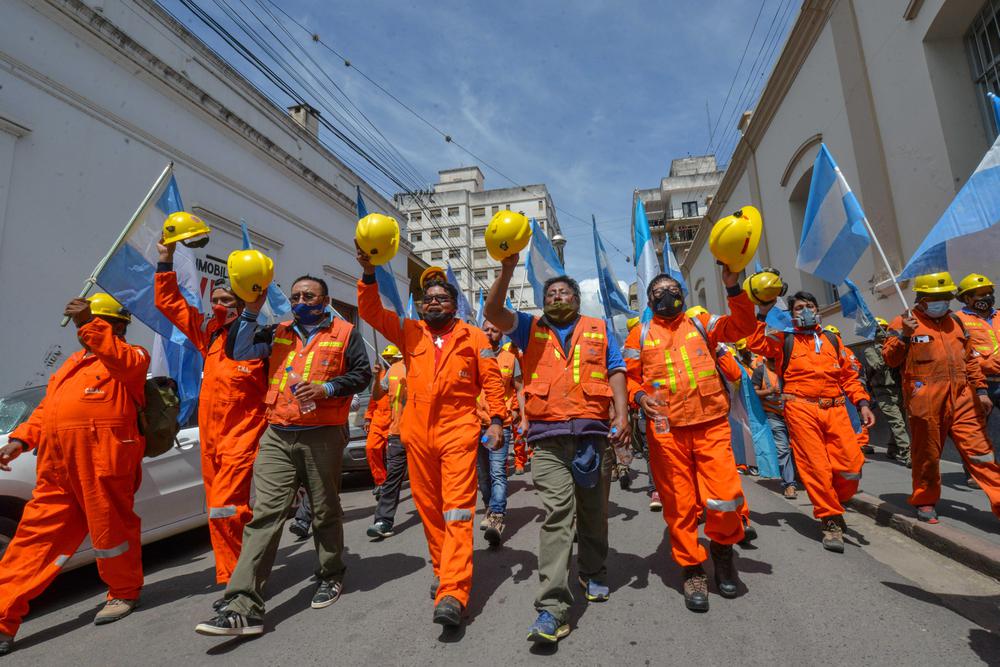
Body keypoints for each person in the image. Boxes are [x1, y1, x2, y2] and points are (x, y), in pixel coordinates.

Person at [195, 275, 371, 637]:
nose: (301, 301)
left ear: (325, 300)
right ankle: (243, 604)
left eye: (309, 295)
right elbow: (239, 350)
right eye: (295, 296)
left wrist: (326, 388)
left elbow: (361, 375)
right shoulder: (277, 332)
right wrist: (251, 310)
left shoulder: (345, 332)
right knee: (265, 515)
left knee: (324, 510)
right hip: (277, 433)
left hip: (322, 434)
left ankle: (331, 573)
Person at [356, 248, 506, 629]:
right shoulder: (409, 332)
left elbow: (492, 382)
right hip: (417, 437)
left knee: (457, 511)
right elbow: (370, 312)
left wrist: (497, 421)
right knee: (430, 510)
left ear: (455, 305)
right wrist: (369, 272)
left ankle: (454, 592)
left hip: (459, 434)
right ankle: (444, 571)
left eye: (442, 297)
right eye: (428, 298)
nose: (434, 302)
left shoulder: (474, 337)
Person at [484, 254, 630, 644]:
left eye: (564, 292)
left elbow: (616, 369)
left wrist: (622, 414)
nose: (557, 297)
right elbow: (493, 312)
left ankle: (593, 571)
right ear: (542, 301)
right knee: (558, 516)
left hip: (592, 437)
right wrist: (507, 269)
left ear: (577, 300)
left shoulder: (598, 328)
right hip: (548, 441)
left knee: (594, 513)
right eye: (550, 293)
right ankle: (552, 608)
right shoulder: (528, 328)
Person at [0, 295, 149, 655]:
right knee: (30, 543)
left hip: (103, 463)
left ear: (117, 326)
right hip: (58, 468)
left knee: (112, 533)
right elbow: (47, 409)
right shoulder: (73, 363)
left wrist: (88, 321)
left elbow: (123, 360)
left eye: (95, 323)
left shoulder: (132, 357)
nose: (84, 331)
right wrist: (20, 440)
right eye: (85, 324)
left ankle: (123, 592)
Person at [624, 269, 756, 613]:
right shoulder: (639, 335)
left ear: (683, 294)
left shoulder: (702, 323)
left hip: (710, 424)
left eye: (672, 289)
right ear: (649, 301)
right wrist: (639, 397)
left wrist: (733, 287)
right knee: (679, 505)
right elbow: (629, 379)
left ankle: (723, 553)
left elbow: (742, 327)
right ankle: (692, 569)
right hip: (666, 431)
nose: (666, 295)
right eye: (658, 292)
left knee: (724, 496)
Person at [155, 240, 267, 587]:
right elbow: (170, 304)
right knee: (220, 511)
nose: (218, 306)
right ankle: (232, 574)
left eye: (227, 301)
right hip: (211, 441)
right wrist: (165, 260)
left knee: (226, 508)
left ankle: (240, 579)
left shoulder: (261, 341)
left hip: (242, 438)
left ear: (243, 303)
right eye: (215, 300)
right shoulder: (210, 335)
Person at [749, 291, 875, 552]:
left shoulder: (832, 339)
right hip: (801, 409)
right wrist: (763, 312)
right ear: (791, 314)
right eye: (799, 308)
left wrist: (862, 403)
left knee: (851, 466)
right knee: (817, 468)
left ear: (817, 310)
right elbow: (756, 343)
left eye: (810, 306)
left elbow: (849, 377)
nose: (805, 310)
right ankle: (830, 519)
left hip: (836, 409)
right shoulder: (784, 339)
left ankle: (834, 501)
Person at [882, 272, 1000, 523]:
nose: (942, 301)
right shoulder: (903, 322)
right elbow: (890, 359)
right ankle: (925, 500)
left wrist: (980, 391)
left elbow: (970, 360)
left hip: (963, 397)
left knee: (982, 453)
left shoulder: (956, 322)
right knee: (927, 454)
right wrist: (904, 335)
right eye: (936, 297)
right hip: (925, 399)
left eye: (945, 296)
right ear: (921, 299)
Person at [476, 320, 521, 547]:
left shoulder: (510, 359)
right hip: (475, 424)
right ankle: (489, 506)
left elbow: (519, 388)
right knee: (483, 475)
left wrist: (519, 413)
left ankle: (496, 516)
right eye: (486, 329)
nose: (489, 333)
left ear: (501, 334)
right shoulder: (473, 357)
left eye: (494, 330)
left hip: (500, 425)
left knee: (497, 472)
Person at [955, 273, 1000, 486]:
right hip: (978, 384)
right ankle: (975, 472)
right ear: (967, 298)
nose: (987, 297)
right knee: (977, 432)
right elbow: (959, 353)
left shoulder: (999, 315)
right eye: (980, 294)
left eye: (989, 292)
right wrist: (986, 364)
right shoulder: (957, 320)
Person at [366, 354, 407, 539]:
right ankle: (383, 521)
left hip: (422, 436)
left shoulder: (429, 364)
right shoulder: (394, 369)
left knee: (428, 480)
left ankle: (440, 518)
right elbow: (376, 395)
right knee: (391, 480)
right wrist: (376, 378)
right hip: (397, 434)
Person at [863, 317, 910, 466]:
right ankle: (908, 455)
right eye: (879, 330)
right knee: (897, 423)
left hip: (898, 389)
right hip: (882, 391)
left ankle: (892, 449)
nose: (883, 333)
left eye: (885, 329)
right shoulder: (870, 350)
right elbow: (878, 365)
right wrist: (890, 353)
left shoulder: (893, 346)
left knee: (900, 422)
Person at [751, 356, 797, 499]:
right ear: (766, 360)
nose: (775, 363)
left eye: (777, 360)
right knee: (783, 448)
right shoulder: (760, 372)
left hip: (793, 414)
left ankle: (800, 476)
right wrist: (770, 390)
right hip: (773, 415)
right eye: (772, 361)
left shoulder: (786, 369)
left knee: (798, 447)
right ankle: (789, 484)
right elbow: (753, 392)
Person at [362, 345, 402, 499]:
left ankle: (390, 485)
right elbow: (374, 399)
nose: (388, 361)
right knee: (371, 448)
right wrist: (368, 417)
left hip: (394, 420)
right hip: (378, 420)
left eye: (391, 358)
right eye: (386, 358)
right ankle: (381, 481)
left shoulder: (400, 372)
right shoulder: (380, 375)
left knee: (392, 456)